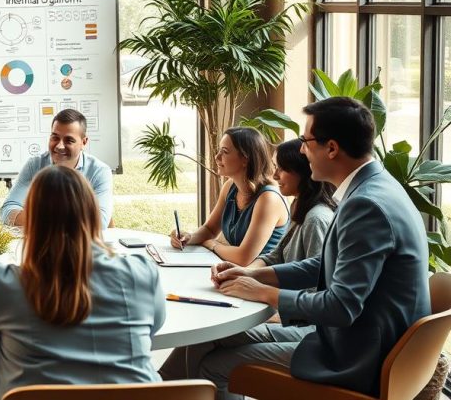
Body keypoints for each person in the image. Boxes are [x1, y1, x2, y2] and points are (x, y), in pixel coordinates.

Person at [203, 97, 430, 399]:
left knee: (211, 365)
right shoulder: (376, 186)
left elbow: (341, 307)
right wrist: (254, 274)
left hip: (359, 356)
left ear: (332, 148)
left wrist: (262, 293)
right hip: (363, 340)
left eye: (306, 141)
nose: (300, 150)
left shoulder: (365, 205)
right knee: (217, 337)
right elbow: (322, 265)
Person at [0, 165, 164, 400]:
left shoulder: (1, 283)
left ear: (32, 220)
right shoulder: (142, 273)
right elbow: (151, 329)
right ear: (91, 213)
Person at [159, 138, 335, 380]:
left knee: (210, 355)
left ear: (303, 172)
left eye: (282, 168)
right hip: (285, 310)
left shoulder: (316, 218)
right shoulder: (300, 209)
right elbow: (274, 256)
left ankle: (163, 384)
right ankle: (163, 384)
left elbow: (318, 286)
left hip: (302, 324)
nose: (275, 174)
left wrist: (259, 291)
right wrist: (244, 272)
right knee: (202, 339)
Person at [170, 127, 288, 266]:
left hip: (259, 279)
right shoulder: (230, 187)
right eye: (219, 150)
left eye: (224, 152)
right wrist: (188, 237)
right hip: (237, 272)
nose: (217, 157)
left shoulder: (268, 198)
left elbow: (244, 258)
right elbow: (210, 229)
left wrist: (213, 245)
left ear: (245, 159)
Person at [0, 109, 114, 228]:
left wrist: (41, 218)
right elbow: (7, 210)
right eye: (55, 138)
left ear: (84, 142)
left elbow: (100, 221)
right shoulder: (34, 165)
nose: (59, 146)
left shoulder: (99, 171)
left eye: (69, 140)